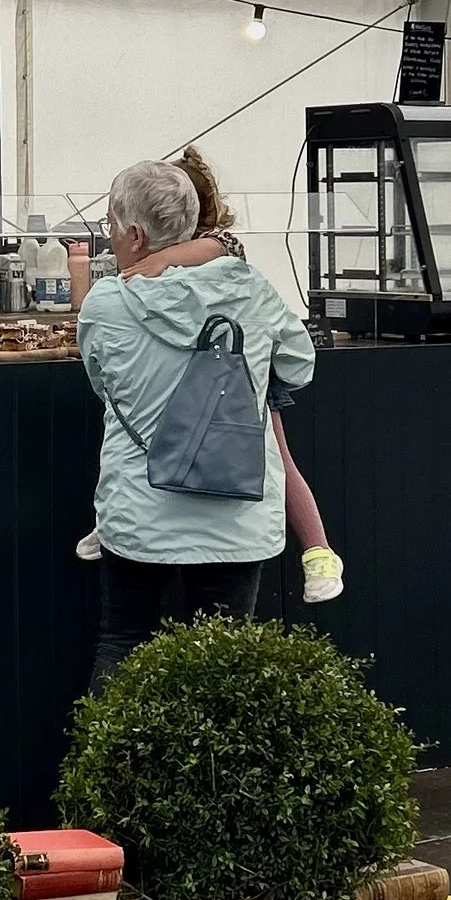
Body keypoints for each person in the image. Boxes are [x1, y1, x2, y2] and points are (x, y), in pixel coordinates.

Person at [79, 159, 315, 688]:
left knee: (123, 643)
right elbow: (299, 367)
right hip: (237, 514)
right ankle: (218, 774)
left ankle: (110, 769)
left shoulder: (106, 304)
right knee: (225, 665)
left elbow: (103, 383)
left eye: (111, 225)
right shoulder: (252, 290)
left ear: (135, 234)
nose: (108, 236)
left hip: (140, 511)